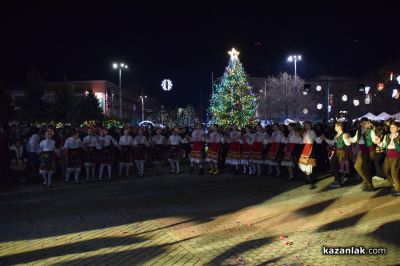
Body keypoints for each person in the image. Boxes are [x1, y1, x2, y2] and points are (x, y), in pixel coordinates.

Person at [349, 118, 377, 191]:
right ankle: (366, 180)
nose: (364, 124)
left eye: (365, 122)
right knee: (357, 166)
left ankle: (370, 186)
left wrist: (377, 139)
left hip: (369, 151)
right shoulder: (358, 131)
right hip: (361, 151)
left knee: (367, 168)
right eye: (362, 123)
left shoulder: (370, 131)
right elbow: (354, 139)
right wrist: (348, 138)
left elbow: (374, 140)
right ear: (360, 123)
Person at [322, 122, 352, 188]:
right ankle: (338, 179)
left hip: (341, 152)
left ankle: (338, 181)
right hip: (336, 152)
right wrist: (325, 139)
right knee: (334, 165)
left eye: (335, 126)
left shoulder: (344, 134)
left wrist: (347, 139)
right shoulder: (336, 135)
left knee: (336, 166)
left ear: (339, 127)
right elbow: (332, 142)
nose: (334, 128)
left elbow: (348, 144)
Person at [377, 121, 400, 196]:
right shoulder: (387, 136)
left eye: (393, 127)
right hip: (388, 156)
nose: (391, 128)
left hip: (397, 157)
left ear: (398, 128)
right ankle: (394, 184)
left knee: (394, 173)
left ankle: (398, 189)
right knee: (385, 171)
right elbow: (383, 145)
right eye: (390, 127)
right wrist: (378, 143)